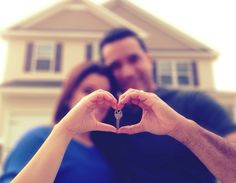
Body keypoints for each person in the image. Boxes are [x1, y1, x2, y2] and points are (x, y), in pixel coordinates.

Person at [91, 27, 236, 183]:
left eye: (134, 59)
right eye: (115, 66)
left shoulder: (194, 102)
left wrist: (184, 130)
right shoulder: (106, 118)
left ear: (149, 59)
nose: (127, 72)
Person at [0, 62, 119, 183]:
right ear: (69, 96)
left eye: (107, 94)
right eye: (88, 91)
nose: (99, 100)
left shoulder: (104, 149)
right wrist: (65, 130)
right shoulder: (39, 137)